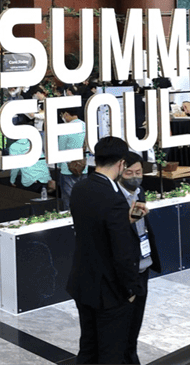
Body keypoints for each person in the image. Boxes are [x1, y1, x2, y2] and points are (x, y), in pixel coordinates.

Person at [66, 136, 140, 365]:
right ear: (121, 163)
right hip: (109, 291)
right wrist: (130, 288)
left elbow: (93, 228)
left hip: (83, 281)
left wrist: (124, 220)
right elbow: (121, 251)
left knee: (88, 347)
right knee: (111, 352)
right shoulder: (113, 198)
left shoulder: (80, 188)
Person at [118, 151, 159, 365]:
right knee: (123, 327)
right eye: (129, 173)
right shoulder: (114, 198)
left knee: (135, 324)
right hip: (127, 269)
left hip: (144, 265)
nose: (135, 177)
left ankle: (131, 356)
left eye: (139, 172)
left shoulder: (140, 192)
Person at [57, 105, 88, 209]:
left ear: (66, 114)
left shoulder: (66, 128)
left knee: (69, 200)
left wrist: (60, 165)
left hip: (67, 169)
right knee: (83, 199)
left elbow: (61, 148)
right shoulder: (86, 126)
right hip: (83, 167)